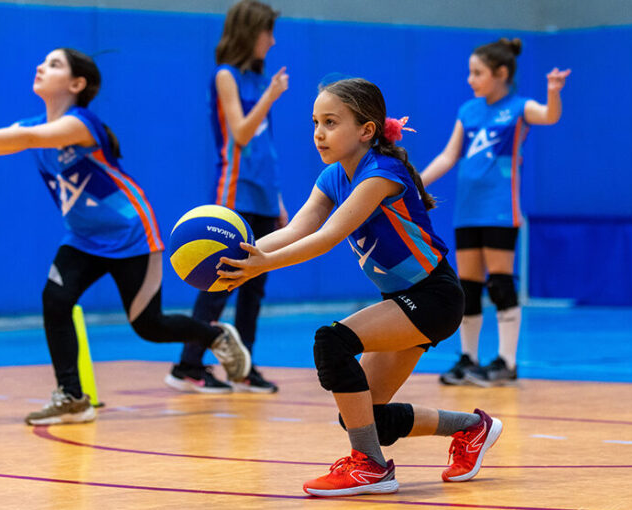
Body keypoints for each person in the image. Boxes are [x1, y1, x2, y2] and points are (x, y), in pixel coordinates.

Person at [0, 48, 251, 425]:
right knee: (55, 300)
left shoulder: (80, 124)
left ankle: (214, 336)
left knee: (148, 326)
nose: (40, 67)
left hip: (132, 234)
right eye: (42, 61)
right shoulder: (34, 127)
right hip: (83, 238)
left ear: (76, 84)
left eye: (53, 64)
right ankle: (71, 397)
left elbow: (25, 138)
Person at [217, 78, 502, 497]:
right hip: (404, 299)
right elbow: (297, 229)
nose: (319, 132)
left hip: (433, 297)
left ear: (367, 130)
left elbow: (328, 236)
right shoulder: (334, 176)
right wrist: (244, 254)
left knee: (332, 342)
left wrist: (263, 265)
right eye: (315, 122)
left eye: (331, 122)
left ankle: (370, 467)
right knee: (363, 414)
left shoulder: (381, 174)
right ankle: (472, 428)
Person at [420, 38, 570, 387]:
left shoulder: (519, 108)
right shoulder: (468, 111)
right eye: (470, 72)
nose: (470, 79)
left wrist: (553, 92)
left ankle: (506, 361)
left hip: (500, 208)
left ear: (501, 73)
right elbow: (449, 155)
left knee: (500, 283)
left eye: (478, 73)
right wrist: (415, 182)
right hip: (467, 210)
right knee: (468, 286)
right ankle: (468, 358)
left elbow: (550, 116)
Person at [165, 0, 288, 395]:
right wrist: (271, 97)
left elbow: (266, 147)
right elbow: (241, 133)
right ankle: (188, 365)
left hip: (264, 196)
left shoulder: (259, 80)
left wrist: (278, 201)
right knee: (218, 284)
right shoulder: (226, 76)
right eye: (267, 32)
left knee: (254, 287)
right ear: (250, 32)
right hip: (235, 192)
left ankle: (243, 367)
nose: (272, 41)